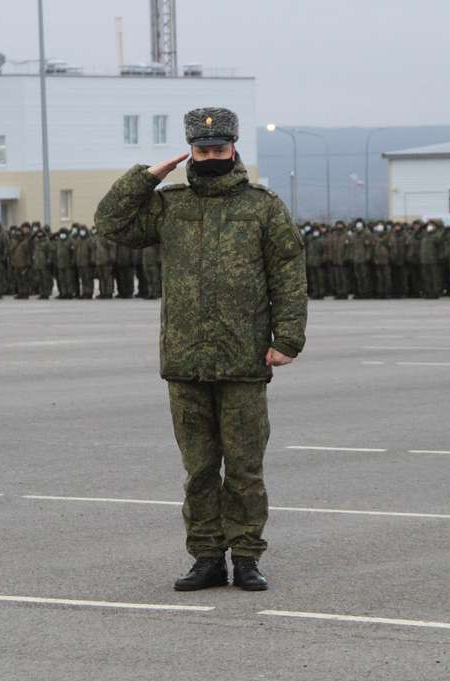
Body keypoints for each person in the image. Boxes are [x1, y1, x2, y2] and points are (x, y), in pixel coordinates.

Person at [95, 107, 307, 592]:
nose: (211, 156)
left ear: (234, 149)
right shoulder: (170, 204)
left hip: (243, 361)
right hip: (186, 360)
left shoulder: (261, 207)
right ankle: (207, 556)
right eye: (202, 149)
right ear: (190, 150)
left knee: (246, 471)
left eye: (218, 149)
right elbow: (110, 222)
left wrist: (287, 339)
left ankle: (248, 557)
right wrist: (146, 177)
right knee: (199, 471)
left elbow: (289, 274)